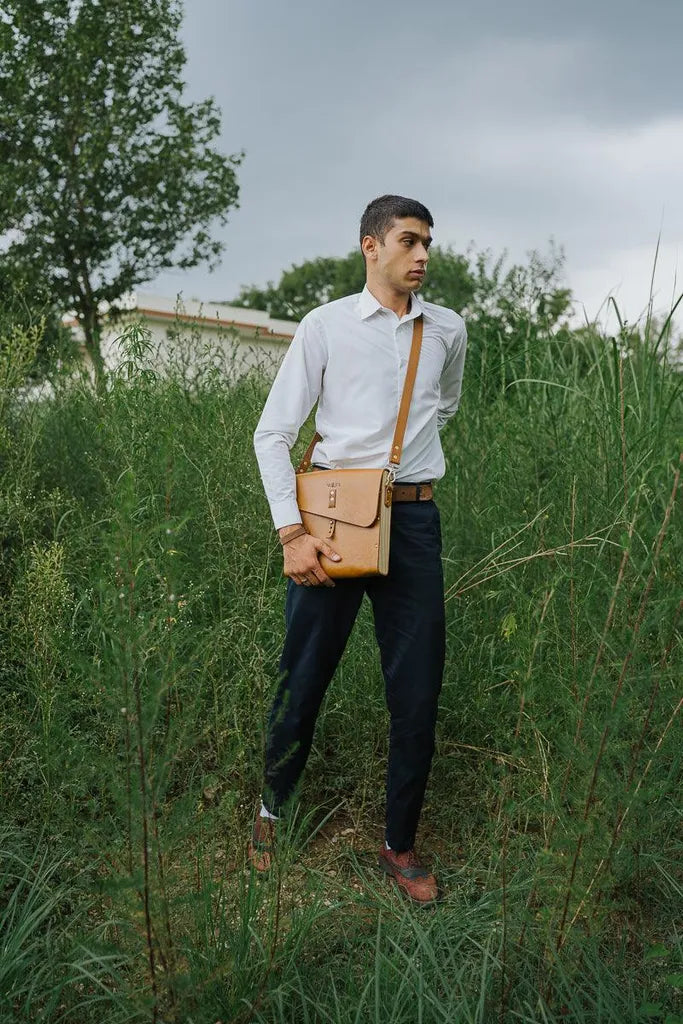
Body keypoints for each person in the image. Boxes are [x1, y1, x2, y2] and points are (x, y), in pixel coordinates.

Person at [250, 194, 467, 903]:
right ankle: (270, 813)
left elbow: (445, 405)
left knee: (417, 690)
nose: (422, 254)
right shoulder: (325, 326)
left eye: (427, 242)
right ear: (370, 246)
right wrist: (292, 533)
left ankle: (399, 844)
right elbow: (272, 434)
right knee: (303, 676)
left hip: (413, 522)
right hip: (330, 525)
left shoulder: (448, 329)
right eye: (408, 240)